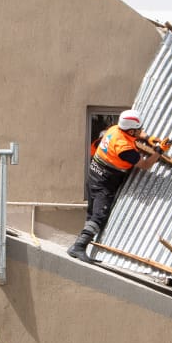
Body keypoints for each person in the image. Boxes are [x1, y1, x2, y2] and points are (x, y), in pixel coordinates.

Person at [67, 108, 162, 262]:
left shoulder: (114, 129)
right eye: (139, 130)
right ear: (131, 131)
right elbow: (144, 165)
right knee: (99, 216)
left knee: (92, 214)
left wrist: (148, 138)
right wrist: (159, 152)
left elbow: (136, 133)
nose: (141, 131)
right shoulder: (124, 149)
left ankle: (80, 245)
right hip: (104, 183)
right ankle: (78, 247)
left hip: (93, 176)